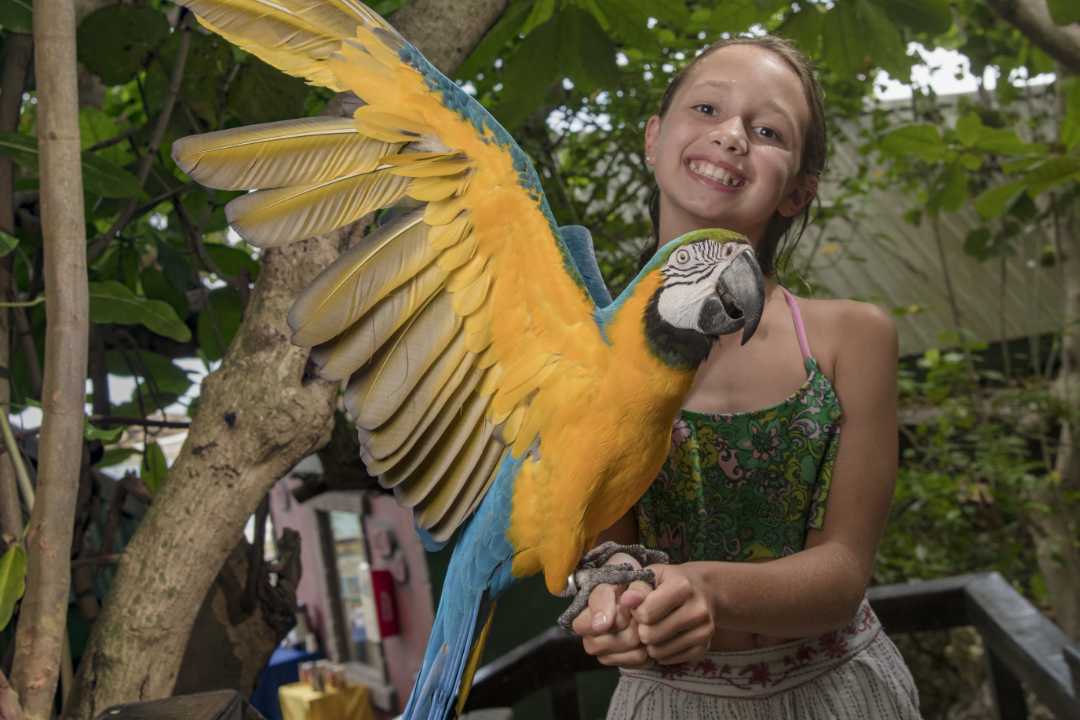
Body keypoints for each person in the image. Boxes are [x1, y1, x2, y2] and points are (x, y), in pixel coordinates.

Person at [570, 36, 922, 719]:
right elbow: (606, 543)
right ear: (654, 139)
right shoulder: (586, 354)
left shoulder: (853, 337)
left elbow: (845, 571)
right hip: (669, 703)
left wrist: (706, 588)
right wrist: (613, 599)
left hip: (843, 694)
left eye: (766, 131)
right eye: (706, 108)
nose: (730, 136)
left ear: (797, 191)